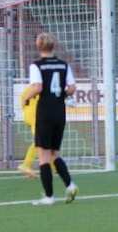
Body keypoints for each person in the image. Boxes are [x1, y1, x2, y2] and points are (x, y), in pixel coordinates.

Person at [21, 33, 79, 205]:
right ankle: (69, 184)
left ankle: (49, 196)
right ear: (54, 46)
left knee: (43, 155)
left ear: (38, 46)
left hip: (45, 112)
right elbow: (72, 88)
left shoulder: (36, 66)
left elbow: (38, 87)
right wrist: (61, 94)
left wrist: (26, 98)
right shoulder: (64, 65)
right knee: (53, 153)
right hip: (59, 112)